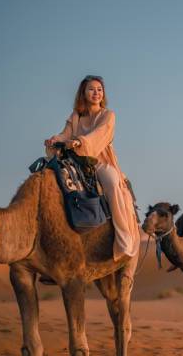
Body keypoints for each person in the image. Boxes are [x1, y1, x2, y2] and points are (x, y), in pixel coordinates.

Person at [44, 75, 140, 261]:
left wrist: (80, 141)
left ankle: (124, 238)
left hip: (99, 160)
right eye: (91, 89)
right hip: (75, 160)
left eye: (99, 89)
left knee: (112, 183)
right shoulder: (76, 116)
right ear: (83, 93)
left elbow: (99, 135)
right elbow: (65, 134)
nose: (96, 93)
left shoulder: (108, 115)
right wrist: (55, 139)